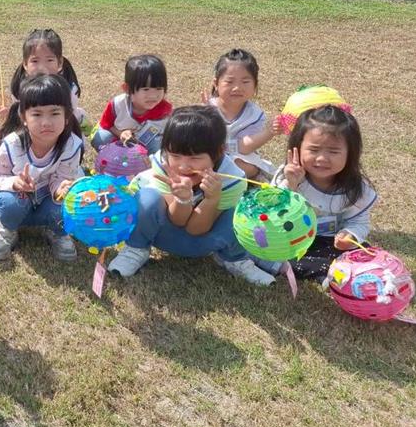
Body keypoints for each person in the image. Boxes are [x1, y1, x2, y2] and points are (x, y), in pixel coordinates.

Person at [108, 106, 274, 285]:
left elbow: (195, 229)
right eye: (176, 155)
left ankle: (235, 259)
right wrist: (182, 199)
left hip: (204, 241)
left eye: (195, 158)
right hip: (162, 233)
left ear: (218, 152)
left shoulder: (232, 179)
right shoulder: (163, 165)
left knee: (238, 214)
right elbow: (178, 221)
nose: (183, 166)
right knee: (147, 198)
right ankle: (136, 249)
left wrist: (211, 200)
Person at [0, 74, 84, 264]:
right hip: (18, 201)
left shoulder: (71, 146)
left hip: (47, 202)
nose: (46, 122)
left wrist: (61, 189)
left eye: (54, 113)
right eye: (37, 114)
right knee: (8, 203)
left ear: (67, 117)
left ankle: (57, 231)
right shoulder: (12, 144)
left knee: (69, 203)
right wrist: (15, 183)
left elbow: (62, 178)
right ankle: (7, 228)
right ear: (24, 117)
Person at [272, 106, 377, 281]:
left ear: (350, 153)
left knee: (364, 257)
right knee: (285, 257)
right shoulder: (287, 176)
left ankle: (336, 272)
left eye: (333, 151)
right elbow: (273, 213)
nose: (322, 158)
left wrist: (350, 235)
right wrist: (291, 184)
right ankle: (329, 275)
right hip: (293, 240)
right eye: (313, 150)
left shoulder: (354, 187)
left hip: (331, 242)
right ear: (298, 148)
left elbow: (359, 222)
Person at [204, 48, 280, 180]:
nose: (237, 88)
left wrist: (269, 132)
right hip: (209, 155)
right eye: (229, 82)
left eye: (245, 82)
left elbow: (244, 148)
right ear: (216, 83)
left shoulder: (255, 115)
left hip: (240, 157)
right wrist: (203, 116)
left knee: (245, 167)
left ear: (255, 85)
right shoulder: (207, 108)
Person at [92, 54, 172, 153]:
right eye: (146, 89)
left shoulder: (165, 112)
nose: (153, 95)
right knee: (101, 137)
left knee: (158, 146)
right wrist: (121, 133)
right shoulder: (118, 105)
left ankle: (145, 160)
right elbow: (107, 124)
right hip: (118, 140)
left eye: (159, 88)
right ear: (127, 89)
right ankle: (112, 157)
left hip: (145, 145)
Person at [7, 28, 85, 128]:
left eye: (49, 60)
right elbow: (22, 117)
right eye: (35, 61)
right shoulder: (18, 87)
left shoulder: (70, 89)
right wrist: (9, 116)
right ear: (25, 64)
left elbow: (68, 121)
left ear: (60, 63)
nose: (42, 67)